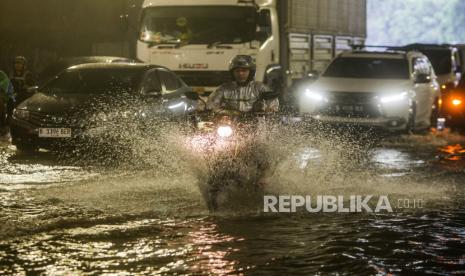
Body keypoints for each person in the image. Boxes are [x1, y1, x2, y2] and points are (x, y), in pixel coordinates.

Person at [207, 55, 279, 113]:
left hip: (256, 124)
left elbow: (273, 106)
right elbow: (211, 105)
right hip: (230, 124)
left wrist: (269, 110)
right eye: (237, 71)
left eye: (244, 71)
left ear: (251, 72)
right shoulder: (223, 89)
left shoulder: (261, 88)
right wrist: (214, 110)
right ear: (232, 73)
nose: (240, 74)